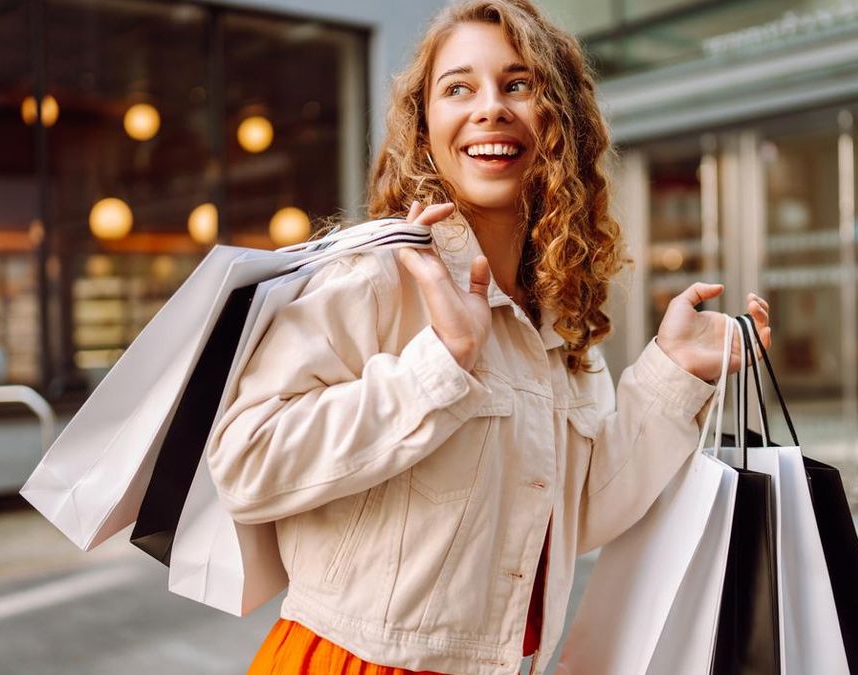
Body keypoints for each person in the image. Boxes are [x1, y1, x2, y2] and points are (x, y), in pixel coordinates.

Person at [207, 2, 771, 674]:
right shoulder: (376, 275)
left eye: (519, 84)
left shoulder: (556, 315)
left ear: (561, 122)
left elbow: (577, 513)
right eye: (459, 88)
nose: (490, 109)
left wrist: (677, 368)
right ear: (425, 127)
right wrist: (439, 365)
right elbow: (245, 463)